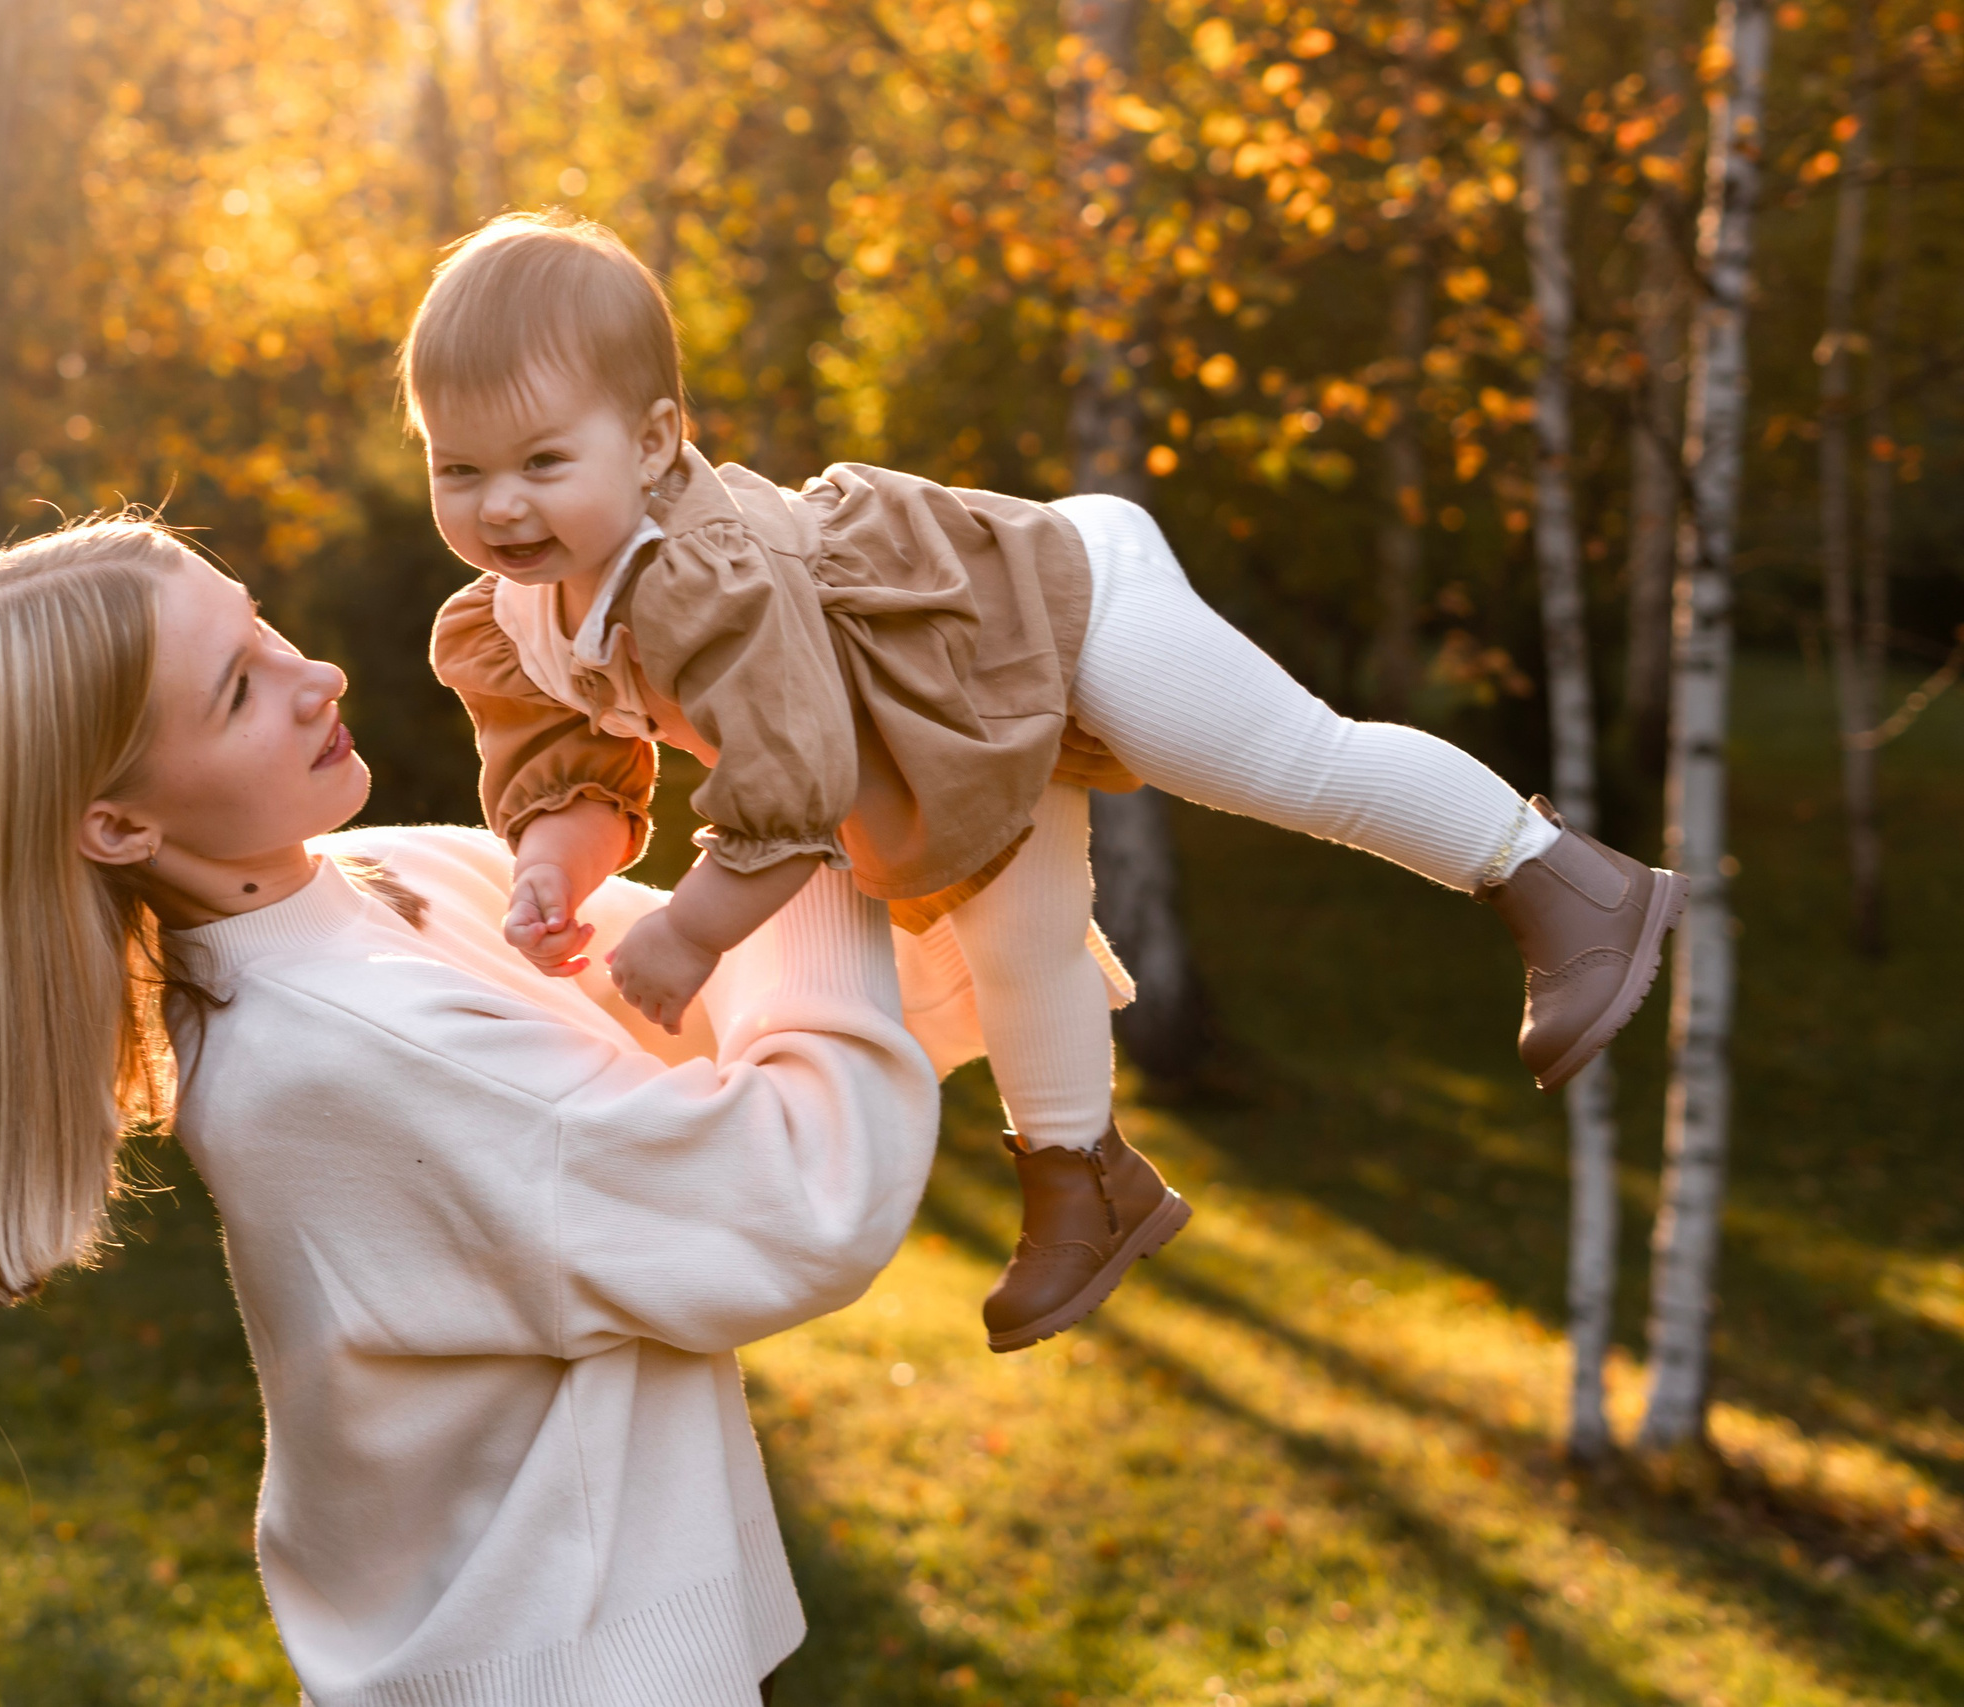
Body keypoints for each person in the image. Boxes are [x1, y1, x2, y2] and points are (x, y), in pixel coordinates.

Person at [414, 211, 1688, 1354]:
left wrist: (693, 931)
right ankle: (1084, 1187)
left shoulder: (701, 573)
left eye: (539, 463)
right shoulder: (519, 611)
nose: (499, 509)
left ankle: (1562, 882)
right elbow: (573, 762)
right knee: (1020, 942)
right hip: (949, 729)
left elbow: (789, 780)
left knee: (1284, 763)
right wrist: (552, 865)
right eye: (458, 470)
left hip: (1056, 609)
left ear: (652, 443)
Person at [0, 515, 947, 1706]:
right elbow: (797, 1198)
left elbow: (716, 989)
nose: (317, 679)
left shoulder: (387, 880)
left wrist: (861, 814)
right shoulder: (345, 1045)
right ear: (118, 826)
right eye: (238, 691)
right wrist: (814, 824)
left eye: (263, 627)